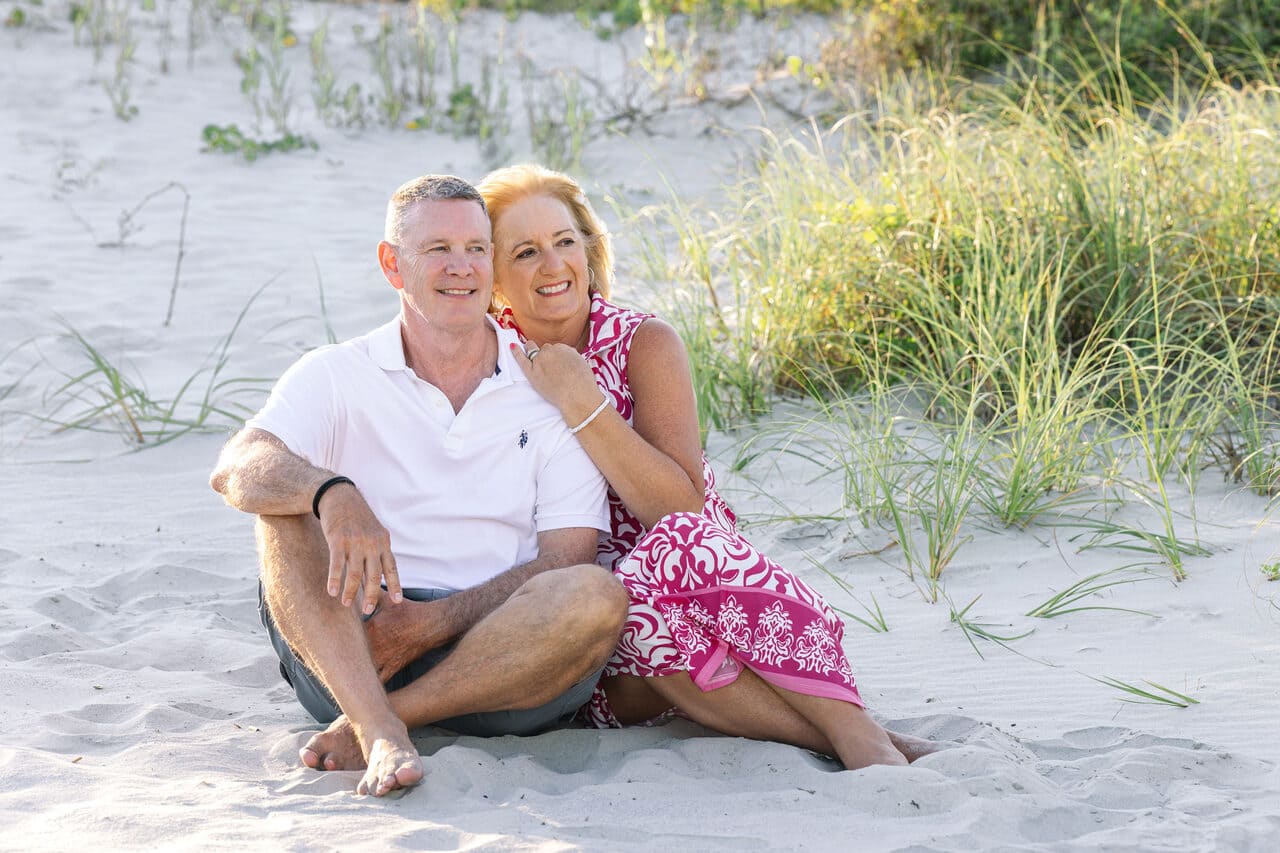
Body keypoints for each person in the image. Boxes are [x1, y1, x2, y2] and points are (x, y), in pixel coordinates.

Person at [477, 164, 935, 768]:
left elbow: (680, 512)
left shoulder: (644, 342)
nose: (552, 264)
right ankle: (850, 737)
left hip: (709, 595)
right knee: (623, 599)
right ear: (495, 279)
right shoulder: (490, 359)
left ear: (589, 251)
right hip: (595, 639)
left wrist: (584, 403)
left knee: (674, 547)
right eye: (526, 251)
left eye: (565, 242)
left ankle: (856, 735)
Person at [209, 174, 629, 798]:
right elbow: (236, 466)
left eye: (477, 250)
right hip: (354, 651)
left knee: (596, 593)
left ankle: (388, 721)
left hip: (509, 659)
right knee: (281, 509)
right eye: (438, 250)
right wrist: (332, 492)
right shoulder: (336, 372)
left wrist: (431, 623)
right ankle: (375, 723)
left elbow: (567, 555)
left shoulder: (544, 384)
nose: (462, 268)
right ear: (392, 264)